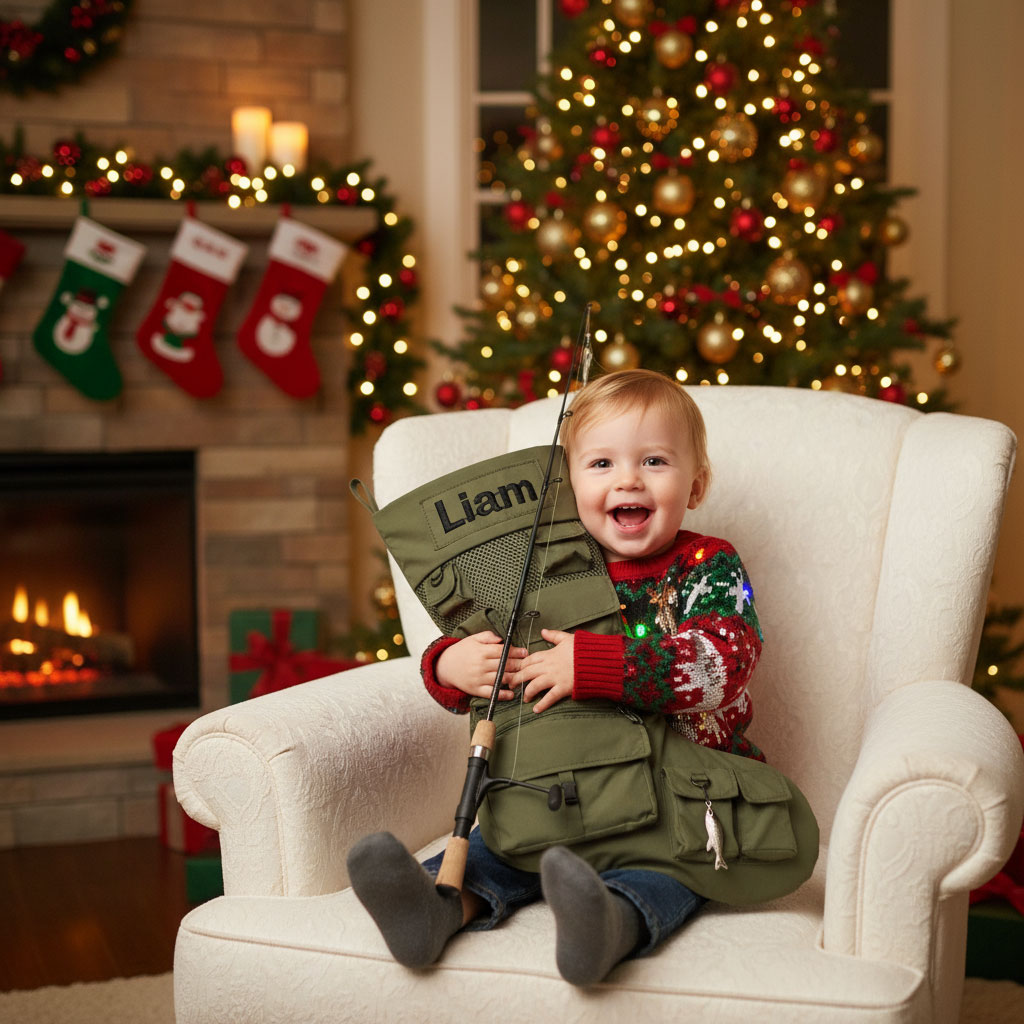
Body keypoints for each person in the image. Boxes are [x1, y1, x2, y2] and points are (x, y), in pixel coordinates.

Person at [348, 368, 764, 985]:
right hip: (561, 787)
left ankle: (609, 924)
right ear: (567, 488)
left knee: (670, 868)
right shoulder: (542, 567)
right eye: (601, 464)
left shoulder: (707, 565)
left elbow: (721, 664)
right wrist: (451, 665)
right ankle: (435, 909)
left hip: (678, 791)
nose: (628, 478)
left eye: (654, 461)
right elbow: (483, 638)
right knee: (500, 847)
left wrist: (595, 664)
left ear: (695, 484)